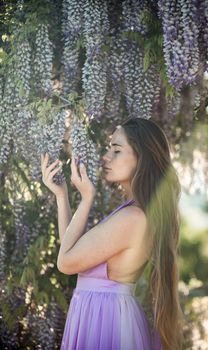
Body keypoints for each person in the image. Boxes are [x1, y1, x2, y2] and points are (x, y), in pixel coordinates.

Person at [40, 117, 184, 350]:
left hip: (105, 320)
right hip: (102, 314)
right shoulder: (133, 211)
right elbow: (72, 251)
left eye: (116, 150)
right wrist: (62, 197)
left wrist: (87, 199)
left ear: (142, 158)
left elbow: (65, 262)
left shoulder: (133, 218)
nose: (106, 156)